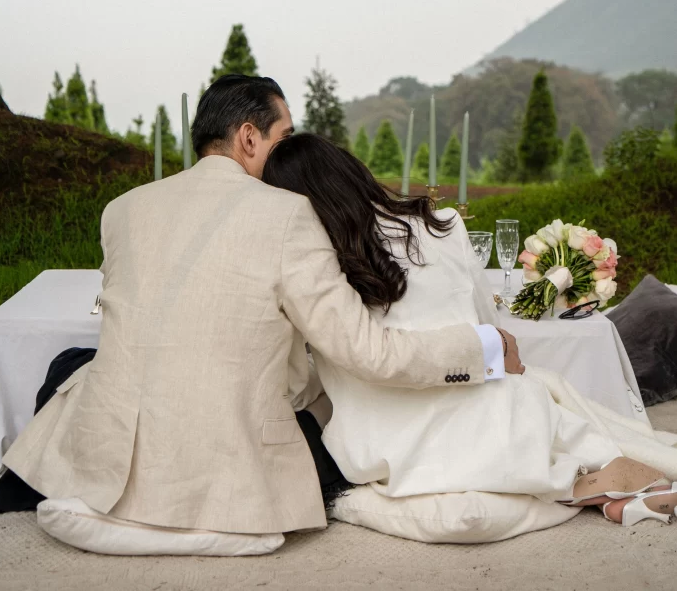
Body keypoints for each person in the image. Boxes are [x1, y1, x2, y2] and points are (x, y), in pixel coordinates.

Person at [0, 75, 519, 544]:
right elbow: (367, 352)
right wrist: (484, 348)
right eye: (284, 137)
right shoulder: (290, 212)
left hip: (117, 456)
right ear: (249, 137)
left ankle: (35, 479)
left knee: (73, 363)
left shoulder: (123, 208)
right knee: (329, 409)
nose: (292, 151)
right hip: (229, 461)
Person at [263, 133, 677, 527]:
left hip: (386, 444)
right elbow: (488, 330)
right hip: (488, 416)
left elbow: (301, 378)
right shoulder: (442, 224)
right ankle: (597, 486)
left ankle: (581, 488)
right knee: (534, 399)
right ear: (351, 171)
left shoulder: (315, 272)